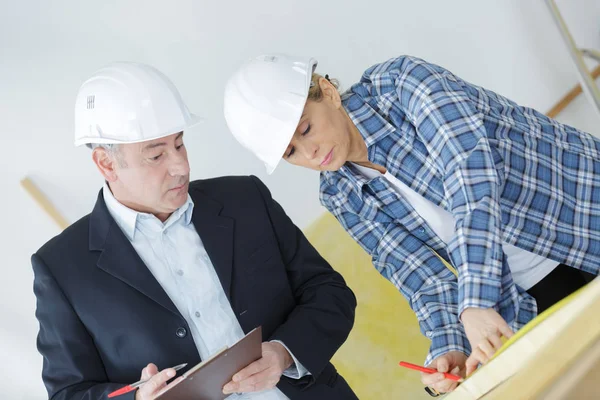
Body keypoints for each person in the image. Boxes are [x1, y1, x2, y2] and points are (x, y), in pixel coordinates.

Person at [223, 54, 600, 393]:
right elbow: (420, 277)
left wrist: (475, 303)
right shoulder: (340, 195)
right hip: (533, 287)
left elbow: (472, 178)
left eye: (306, 130)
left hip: (585, 214)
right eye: (291, 152)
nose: (311, 153)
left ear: (327, 92)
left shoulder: (403, 83)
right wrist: (448, 346)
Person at [32, 62, 358, 400]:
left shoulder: (245, 199)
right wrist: (138, 399)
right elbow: (68, 394)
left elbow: (329, 292)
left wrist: (284, 352)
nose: (180, 166)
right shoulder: (61, 269)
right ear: (106, 163)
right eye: (156, 156)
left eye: (179, 144)